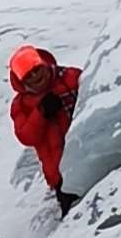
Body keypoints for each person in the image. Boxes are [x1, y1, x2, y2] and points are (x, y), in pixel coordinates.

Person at [8, 44, 82, 217]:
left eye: (37, 69)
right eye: (28, 75)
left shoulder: (70, 77)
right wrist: (41, 113)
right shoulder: (20, 105)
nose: (36, 76)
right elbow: (26, 136)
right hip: (60, 176)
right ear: (21, 81)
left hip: (88, 154)